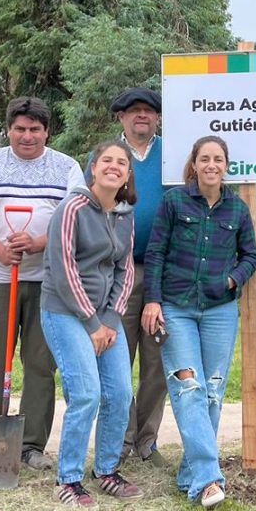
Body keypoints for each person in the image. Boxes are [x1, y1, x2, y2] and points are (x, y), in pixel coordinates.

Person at [0, 97, 85, 474]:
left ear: (47, 131)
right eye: (19, 129)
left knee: (40, 364)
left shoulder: (66, 167)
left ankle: (31, 445)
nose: (26, 136)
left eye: (34, 129)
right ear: (9, 130)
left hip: (49, 279)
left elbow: (75, 217)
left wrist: (39, 243)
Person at [141, 136, 256, 509]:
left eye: (218, 159)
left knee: (211, 389)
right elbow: (155, 252)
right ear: (194, 164)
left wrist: (231, 280)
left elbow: (250, 256)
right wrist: (152, 301)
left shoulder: (237, 210)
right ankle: (209, 479)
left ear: (226, 166)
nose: (211, 165)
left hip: (219, 310)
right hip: (175, 306)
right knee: (188, 386)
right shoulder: (174, 201)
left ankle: (190, 474)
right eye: (204, 158)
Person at [42, 140, 143, 507]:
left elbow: (125, 268)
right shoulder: (73, 207)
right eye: (107, 161)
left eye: (122, 163)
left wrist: (111, 318)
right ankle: (68, 479)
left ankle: (106, 471)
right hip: (65, 312)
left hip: (105, 317)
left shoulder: (124, 214)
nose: (114, 167)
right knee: (86, 393)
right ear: (94, 167)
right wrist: (91, 322)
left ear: (128, 174)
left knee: (119, 394)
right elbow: (64, 268)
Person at [95, 88, 169, 466]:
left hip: (161, 273)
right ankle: (120, 439)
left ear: (157, 118)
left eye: (149, 111)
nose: (142, 116)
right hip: (116, 271)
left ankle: (147, 440)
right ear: (120, 117)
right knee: (117, 357)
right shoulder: (110, 156)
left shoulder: (172, 154)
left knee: (156, 360)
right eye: (134, 111)